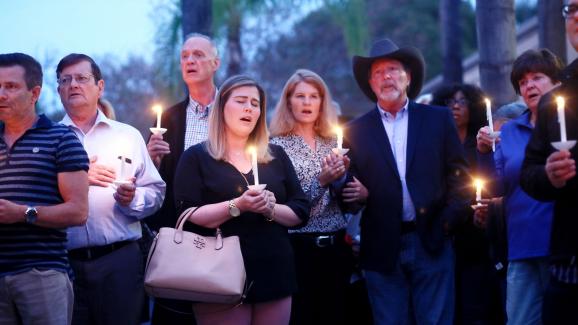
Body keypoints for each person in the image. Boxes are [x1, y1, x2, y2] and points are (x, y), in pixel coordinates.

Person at [344, 38, 470, 324]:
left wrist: (447, 222)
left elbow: (460, 177)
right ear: (371, 83)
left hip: (432, 240)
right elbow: (345, 188)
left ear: (408, 77)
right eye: (377, 72)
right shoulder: (354, 131)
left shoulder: (438, 119)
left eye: (393, 69)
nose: (386, 76)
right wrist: (352, 190)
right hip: (380, 245)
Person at [173, 75, 310, 325]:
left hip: (273, 269)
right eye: (241, 101)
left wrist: (271, 208)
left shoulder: (275, 155)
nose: (249, 108)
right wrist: (238, 205)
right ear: (222, 107)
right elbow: (188, 214)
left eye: (255, 103)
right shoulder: (196, 157)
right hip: (217, 272)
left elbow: (300, 211)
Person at [56, 53, 166, 325]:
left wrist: (132, 199)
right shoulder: (49, 138)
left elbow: (156, 193)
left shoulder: (127, 135)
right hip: (62, 263)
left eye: (81, 78)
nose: (73, 85)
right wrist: (77, 177)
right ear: (58, 89)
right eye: (65, 80)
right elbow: (32, 198)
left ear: (100, 86)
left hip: (120, 261)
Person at [475, 49, 564, 325]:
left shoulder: (567, 123)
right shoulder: (510, 131)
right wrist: (483, 152)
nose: (530, 86)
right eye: (523, 82)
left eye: (538, 77)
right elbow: (496, 187)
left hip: (561, 246)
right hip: (521, 246)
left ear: (556, 83)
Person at [0, 53, 89, 325]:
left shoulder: (62, 139)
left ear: (34, 92)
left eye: (11, 87)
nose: (1, 94)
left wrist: (24, 213)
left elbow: (78, 212)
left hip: (41, 273)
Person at [269, 69, 363, 324]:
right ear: (288, 101)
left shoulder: (335, 141)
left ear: (323, 102)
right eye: (300, 96)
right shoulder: (274, 146)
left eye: (314, 96)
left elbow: (351, 201)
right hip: (295, 249)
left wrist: (348, 184)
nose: (307, 102)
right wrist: (321, 181)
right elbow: (280, 203)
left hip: (336, 247)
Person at [145, 32, 220, 324]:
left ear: (216, 62)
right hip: (179, 232)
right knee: (175, 315)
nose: (190, 60)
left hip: (226, 228)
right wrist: (153, 160)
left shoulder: (235, 111)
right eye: (185, 56)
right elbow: (154, 181)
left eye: (198, 55)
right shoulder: (167, 118)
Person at [521, 2, 578, 323]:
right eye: (571, 8)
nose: (577, 16)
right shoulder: (556, 99)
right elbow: (530, 172)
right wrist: (549, 176)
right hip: (570, 261)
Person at [432, 83, 505, 325]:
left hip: (477, 230)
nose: (455, 106)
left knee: (476, 302)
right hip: (445, 230)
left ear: (472, 107)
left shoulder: (482, 144)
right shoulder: (435, 145)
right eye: (449, 102)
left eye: (462, 101)